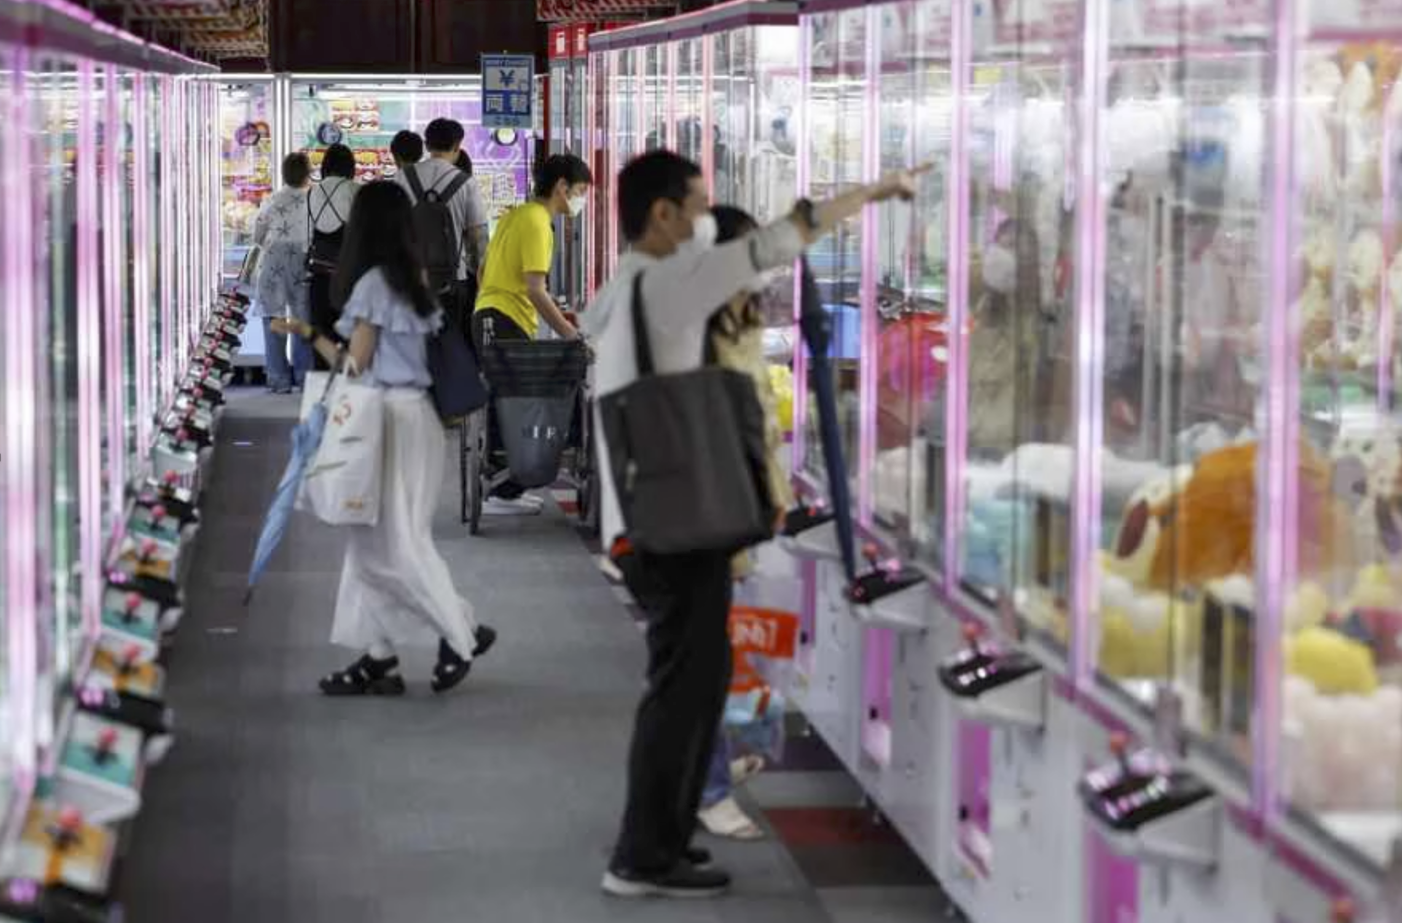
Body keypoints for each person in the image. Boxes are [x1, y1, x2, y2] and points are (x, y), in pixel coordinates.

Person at [586, 150, 923, 899]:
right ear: (665, 213)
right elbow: (773, 243)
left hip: (641, 519)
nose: (708, 219)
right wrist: (872, 192)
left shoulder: (625, 288)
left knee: (690, 685)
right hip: (676, 527)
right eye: (699, 204)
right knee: (683, 691)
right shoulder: (670, 279)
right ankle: (642, 855)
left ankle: (660, 841)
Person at [272, 181, 497, 697]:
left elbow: (356, 363)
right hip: (419, 417)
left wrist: (308, 336)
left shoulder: (372, 285)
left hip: (384, 420)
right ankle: (378, 657)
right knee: (378, 539)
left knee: (383, 547)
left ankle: (457, 632)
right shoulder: (410, 277)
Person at [694, 204, 794, 841]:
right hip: (703, 517)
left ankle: (735, 752)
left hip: (745, 512)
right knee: (699, 663)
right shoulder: (690, 333)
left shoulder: (741, 326)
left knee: (736, 647)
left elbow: (759, 421)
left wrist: (775, 492)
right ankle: (708, 788)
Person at [472, 153, 593, 515]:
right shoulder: (540, 222)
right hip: (503, 319)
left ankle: (507, 486)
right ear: (561, 187)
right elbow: (536, 289)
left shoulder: (516, 215)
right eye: (581, 190)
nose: (581, 199)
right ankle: (500, 490)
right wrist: (570, 332)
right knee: (520, 405)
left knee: (508, 401)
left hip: (492, 316)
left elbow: (483, 271)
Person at [395, 117, 488, 315]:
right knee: (451, 340)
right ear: (457, 146)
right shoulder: (466, 183)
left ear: (427, 145)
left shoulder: (402, 177)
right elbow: (477, 237)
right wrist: (481, 276)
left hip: (410, 278)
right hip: (454, 280)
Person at [252, 152, 314, 393]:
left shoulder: (272, 200)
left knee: (274, 319)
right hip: (303, 260)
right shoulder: (314, 199)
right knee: (302, 319)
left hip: (273, 261)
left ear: (283, 174)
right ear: (308, 174)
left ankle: (278, 378)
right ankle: (304, 376)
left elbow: (257, 235)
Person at [306, 143, 359, 368]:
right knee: (348, 336)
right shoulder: (354, 190)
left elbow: (306, 235)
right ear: (350, 166)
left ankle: (321, 390)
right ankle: (347, 392)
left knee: (321, 336)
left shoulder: (311, 192)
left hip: (318, 274)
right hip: (348, 276)